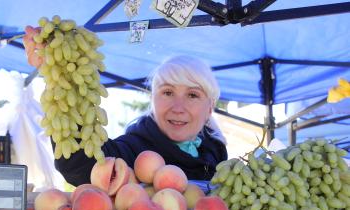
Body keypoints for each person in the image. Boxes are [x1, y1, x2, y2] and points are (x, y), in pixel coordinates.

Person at [23, 30, 227, 187]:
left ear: (210, 107)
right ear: (152, 99)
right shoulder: (132, 150)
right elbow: (79, 165)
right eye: (167, 92)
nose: (178, 107)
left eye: (192, 95)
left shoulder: (216, 153)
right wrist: (59, 76)